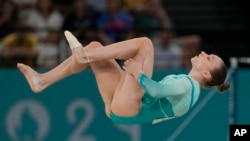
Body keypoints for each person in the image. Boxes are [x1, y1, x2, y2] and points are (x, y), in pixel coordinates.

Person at [17, 30, 230, 124]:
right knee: (95, 47)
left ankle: (83, 56)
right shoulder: (187, 88)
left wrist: (139, 75)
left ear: (206, 74)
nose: (204, 53)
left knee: (145, 43)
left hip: (131, 107)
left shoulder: (188, 85)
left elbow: (155, 90)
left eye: (209, 57)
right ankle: (41, 81)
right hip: (121, 110)